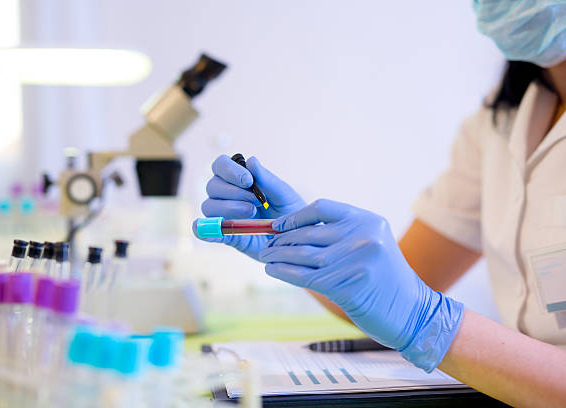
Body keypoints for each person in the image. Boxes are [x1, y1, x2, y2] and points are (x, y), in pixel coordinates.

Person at [194, 1, 566, 406]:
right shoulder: (503, 118)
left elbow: (410, 307)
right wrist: (303, 245)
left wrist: (428, 324)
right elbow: (382, 293)